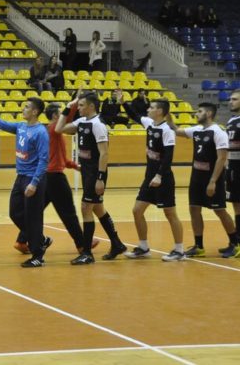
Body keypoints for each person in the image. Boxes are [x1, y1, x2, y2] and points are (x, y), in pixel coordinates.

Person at [13, 93, 99, 256]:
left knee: (36, 211)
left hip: (45, 177)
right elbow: (69, 118)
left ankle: (22, 240)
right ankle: (82, 244)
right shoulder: (53, 130)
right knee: (68, 213)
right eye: (60, 113)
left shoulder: (47, 131)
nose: (63, 117)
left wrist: (75, 166)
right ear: (54, 116)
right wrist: (74, 103)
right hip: (55, 178)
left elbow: (60, 158)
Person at [55, 92, 127, 264]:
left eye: (81, 105)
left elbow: (104, 153)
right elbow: (59, 129)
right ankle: (117, 244)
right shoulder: (81, 122)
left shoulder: (98, 125)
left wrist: (100, 178)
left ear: (91, 106)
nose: (78, 108)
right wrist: (68, 107)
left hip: (96, 173)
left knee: (86, 207)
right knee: (98, 209)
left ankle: (87, 252)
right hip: (86, 171)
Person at [0, 95, 51, 267]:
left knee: (33, 217)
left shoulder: (41, 132)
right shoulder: (21, 127)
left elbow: (44, 160)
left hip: (32, 178)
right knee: (15, 213)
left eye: (26, 107)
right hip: (20, 177)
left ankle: (38, 256)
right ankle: (40, 239)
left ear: (35, 112)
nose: (23, 109)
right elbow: (1, 124)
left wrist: (34, 183)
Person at [116, 89, 186, 261]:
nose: (148, 109)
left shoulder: (167, 130)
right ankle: (143, 247)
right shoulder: (149, 123)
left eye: (152, 107)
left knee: (170, 213)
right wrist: (123, 102)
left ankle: (179, 250)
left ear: (160, 111)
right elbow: (134, 115)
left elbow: (168, 156)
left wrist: (159, 176)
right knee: (137, 210)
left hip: (163, 178)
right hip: (149, 177)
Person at [167, 103, 237, 258]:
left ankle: (235, 243)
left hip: (212, 178)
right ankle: (199, 246)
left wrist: (213, 181)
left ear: (209, 113)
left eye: (200, 111)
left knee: (219, 210)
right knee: (194, 209)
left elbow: (222, 158)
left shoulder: (218, 132)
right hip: (197, 177)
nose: (196, 114)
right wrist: (168, 116)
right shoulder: (197, 130)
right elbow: (176, 130)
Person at [224, 89, 240, 257]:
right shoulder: (231, 121)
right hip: (233, 168)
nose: (230, 101)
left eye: (234, 99)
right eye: (230, 99)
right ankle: (237, 242)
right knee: (236, 204)